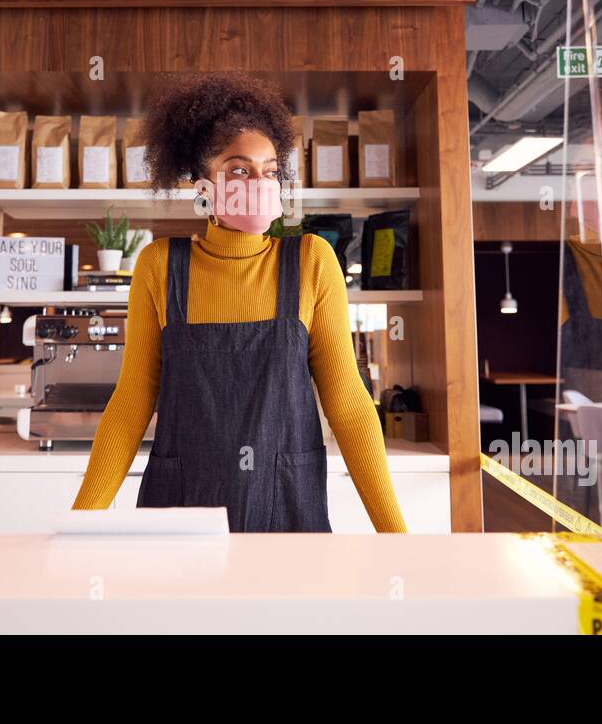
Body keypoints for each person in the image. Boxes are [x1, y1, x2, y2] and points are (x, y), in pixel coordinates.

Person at [71, 74, 407, 532]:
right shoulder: (159, 265)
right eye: (239, 169)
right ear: (201, 186)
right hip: (180, 512)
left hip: (287, 506)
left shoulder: (310, 261)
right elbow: (131, 402)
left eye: (270, 171)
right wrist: (78, 525)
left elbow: (348, 404)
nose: (260, 182)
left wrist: (396, 535)